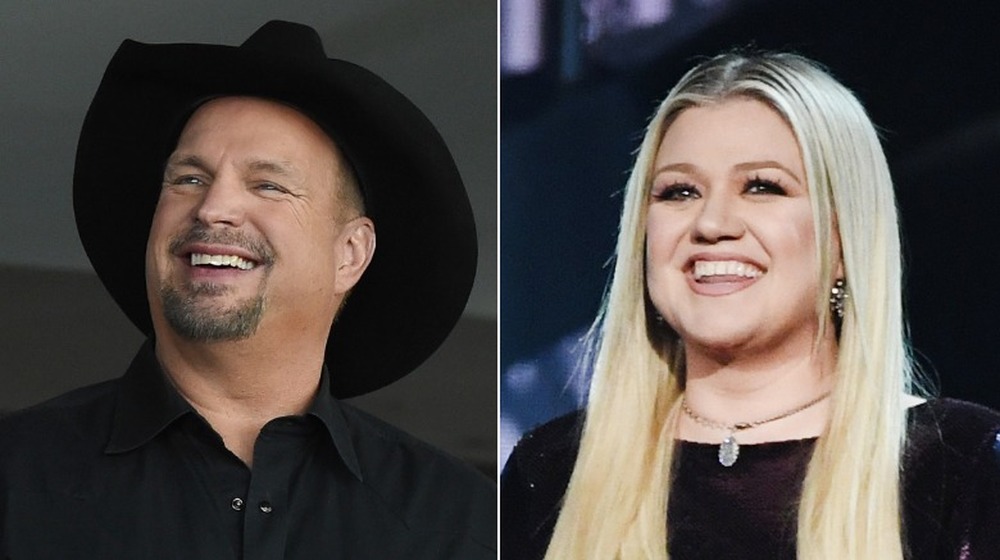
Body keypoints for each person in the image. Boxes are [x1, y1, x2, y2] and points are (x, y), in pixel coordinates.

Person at [0, 21, 494, 558]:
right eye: (189, 178)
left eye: (268, 186)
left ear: (350, 253)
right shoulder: (15, 475)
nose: (213, 208)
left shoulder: (461, 520)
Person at [500, 51, 1000, 559]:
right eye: (680, 191)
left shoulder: (957, 464)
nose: (712, 223)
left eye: (762, 187)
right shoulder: (553, 469)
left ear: (845, 238)